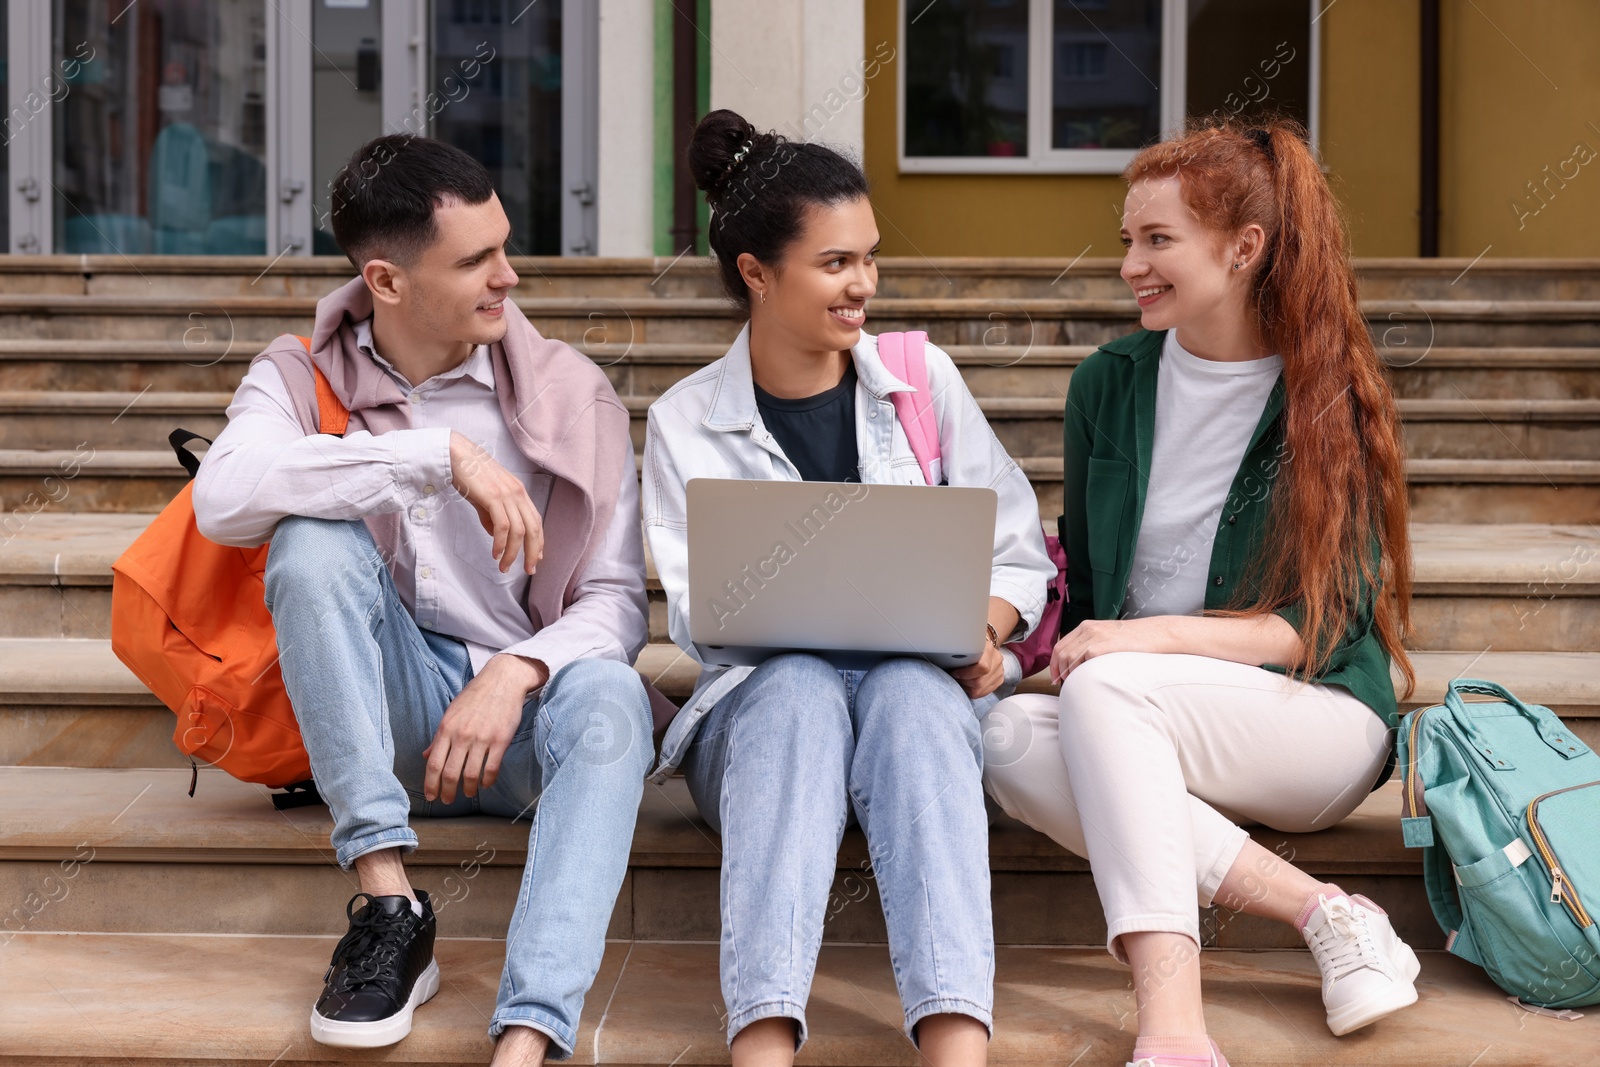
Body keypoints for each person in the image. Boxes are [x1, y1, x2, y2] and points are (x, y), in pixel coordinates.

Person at [192, 134, 652, 1066]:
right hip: (384, 727)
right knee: (309, 537)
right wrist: (435, 457)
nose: (509, 277)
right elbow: (222, 496)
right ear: (386, 280)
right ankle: (389, 904)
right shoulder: (299, 373)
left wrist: (517, 672)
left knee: (612, 693)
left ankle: (530, 1029)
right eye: (476, 260)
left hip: (527, 737)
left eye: (505, 247)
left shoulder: (571, 391)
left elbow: (615, 603)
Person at [981, 119, 1419, 1067]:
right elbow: (1089, 584)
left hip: (1317, 719)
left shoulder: (1321, 393)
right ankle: (1324, 910)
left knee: (1109, 684)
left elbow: (1317, 627)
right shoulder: (1109, 383)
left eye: (1157, 240)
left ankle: (1173, 1028)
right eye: (1128, 239)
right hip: (1148, 710)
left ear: (1244, 247)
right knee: (1000, 735)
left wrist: (1141, 643)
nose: (1130, 263)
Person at [642, 109, 1056, 1066]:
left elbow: (1014, 550)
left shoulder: (921, 380)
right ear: (756, 272)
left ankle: (955, 1038)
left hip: (916, 705)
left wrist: (985, 632)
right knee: (793, 687)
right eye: (835, 264)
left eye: (869, 258)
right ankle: (763, 1036)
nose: (864, 284)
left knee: (913, 695)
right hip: (764, 721)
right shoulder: (685, 420)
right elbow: (708, 619)